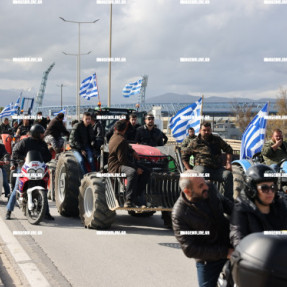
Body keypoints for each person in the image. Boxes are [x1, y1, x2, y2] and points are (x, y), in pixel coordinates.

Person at [172, 170, 234, 287]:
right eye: (201, 186)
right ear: (187, 191)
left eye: (204, 182)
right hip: (208, 259)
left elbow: (228, 206)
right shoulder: (179, 214)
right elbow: (190, 249)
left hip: (232, 246)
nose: (206, 186)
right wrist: (225, 253)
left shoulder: (209, 188)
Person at [230, 164, 287, 248]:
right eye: (264, 188)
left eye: (273, 187)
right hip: (256, 257)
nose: (270, 191)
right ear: (251, 189)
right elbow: (238, 240)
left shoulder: (280, 205)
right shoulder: (242, 210)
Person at [6, 124, 53, 220]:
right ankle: (9, 211)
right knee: (16, 189)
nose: (43, 135)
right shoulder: (25, 142)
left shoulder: (42, 144)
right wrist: (21, 159)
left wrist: (43, 159)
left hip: (38, 168)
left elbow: (48, 156)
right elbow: (15, 151)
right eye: (41, 133)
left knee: (44, 187)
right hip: (24, 167)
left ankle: (46, 213)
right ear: (36, 133)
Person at [182, 122, 234, 200]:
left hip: (216, 169)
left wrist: (228, 163)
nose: (206, 132)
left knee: (228, 175)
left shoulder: (217, 139)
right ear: (200, 130)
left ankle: (227, 201)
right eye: (204, 130)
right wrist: (189, 170)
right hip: (202, 167)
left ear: (211, 130)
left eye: (208, 130)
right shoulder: (195, 142)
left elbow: (229, 150)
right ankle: (203, 200)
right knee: (202, 174)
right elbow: (184, 157)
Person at [108, 120, 150, 207]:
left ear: (115, 128)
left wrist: (132, 151)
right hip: (116, 165)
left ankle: (136, 196)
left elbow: (126, 146)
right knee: (132, 172)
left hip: (118, 162)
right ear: (125, 129)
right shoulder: (121, 140)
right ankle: (129, 200)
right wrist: (135, 168)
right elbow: (122, 160)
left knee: (146, 171)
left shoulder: (115, 136)